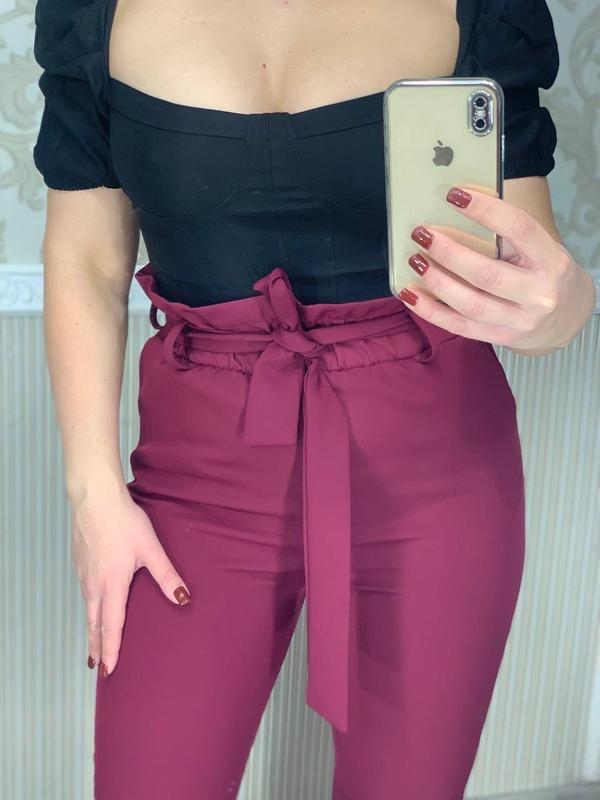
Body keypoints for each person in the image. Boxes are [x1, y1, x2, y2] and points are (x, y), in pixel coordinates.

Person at [31, 0, 596, 797]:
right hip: (194, 471)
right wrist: (92, 495)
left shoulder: (483, 10)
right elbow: (88, 257)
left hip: (436, 467)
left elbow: (522, 274)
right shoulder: (92, 13)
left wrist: (563, 308)